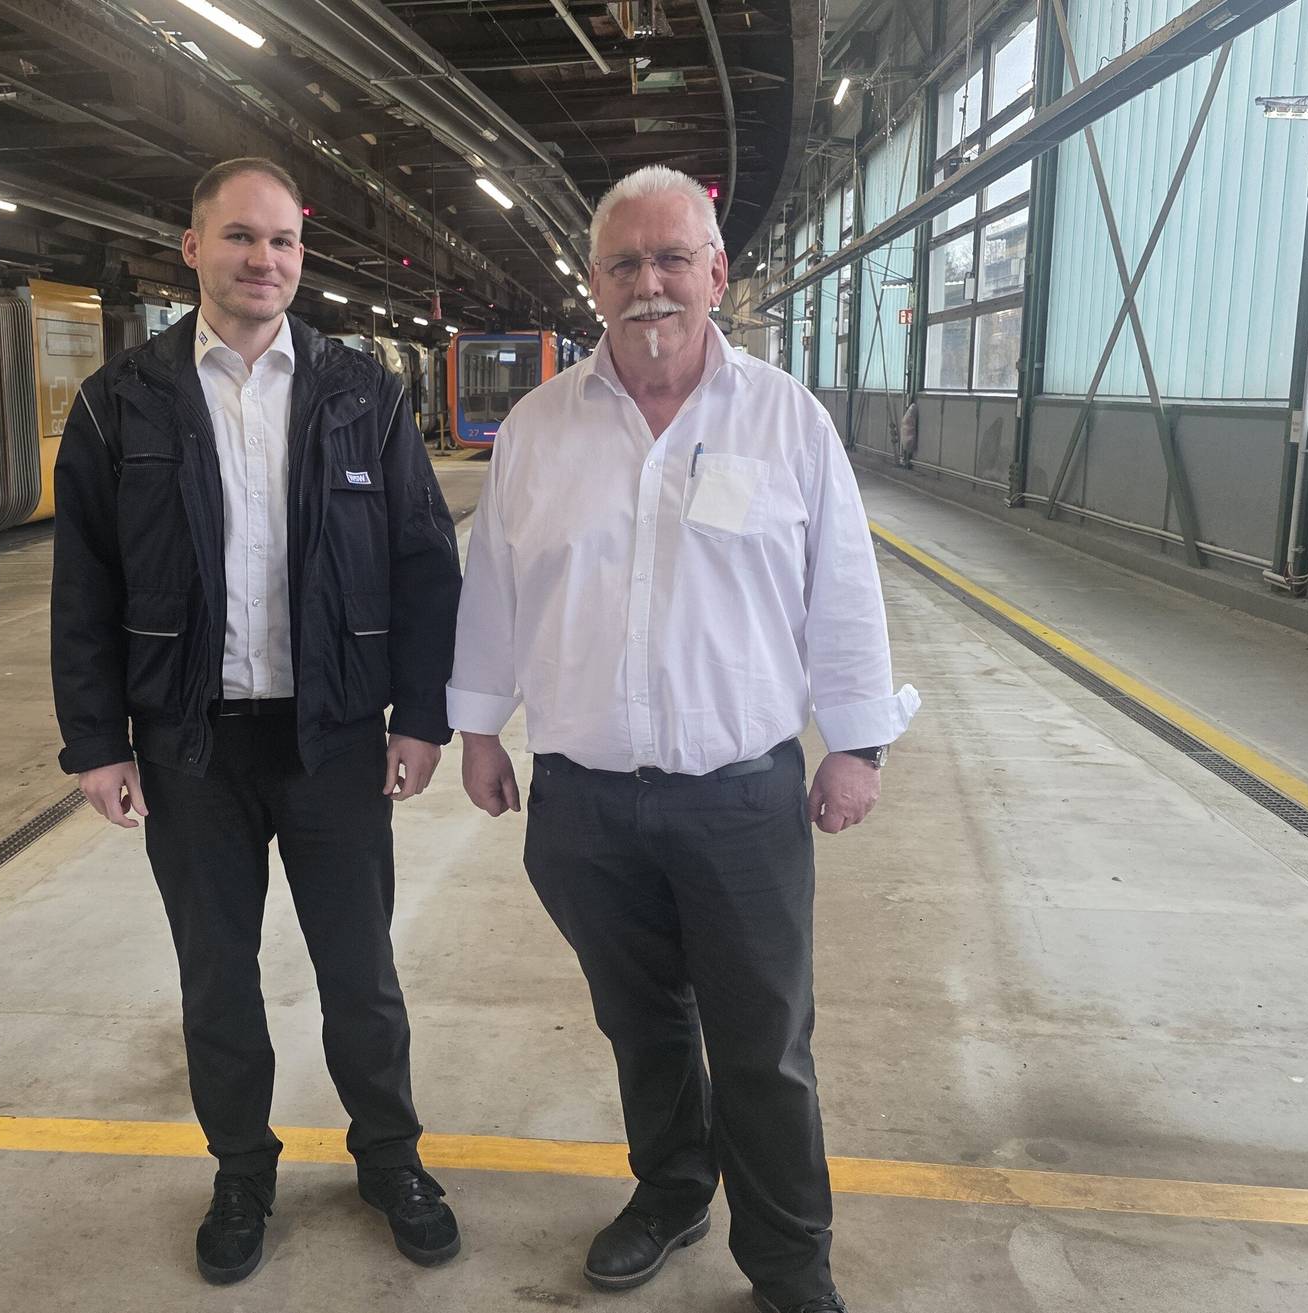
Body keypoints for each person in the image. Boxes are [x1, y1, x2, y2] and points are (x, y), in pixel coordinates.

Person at [448, 164, 919, 1313]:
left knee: (765, 1043)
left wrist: (856, 742)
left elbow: (842, 586)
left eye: (671, 259)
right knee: (641, 1022)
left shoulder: (785, 419)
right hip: (584, 797)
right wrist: (477, 724)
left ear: (717, 271)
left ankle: (790, 1263)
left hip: (740, 797)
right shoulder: (540, 429)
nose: (648, 282)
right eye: (624, 262)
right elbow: (494, 587)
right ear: (593, 282)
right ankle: (670, 1189)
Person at [50, 156, 464, 1285]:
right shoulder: (119, 401)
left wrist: (423, 715)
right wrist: (95, 739)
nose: (263, 260)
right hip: (190, 746)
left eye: (282, 241)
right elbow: (84, 584)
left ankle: (391, 1158)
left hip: (333, 737)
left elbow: (426, 561)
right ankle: (242, 1170)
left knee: (361, 974)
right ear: (192, 248)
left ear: (301, 255)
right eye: (239, 237)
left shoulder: (363, 393)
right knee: (218, 978)